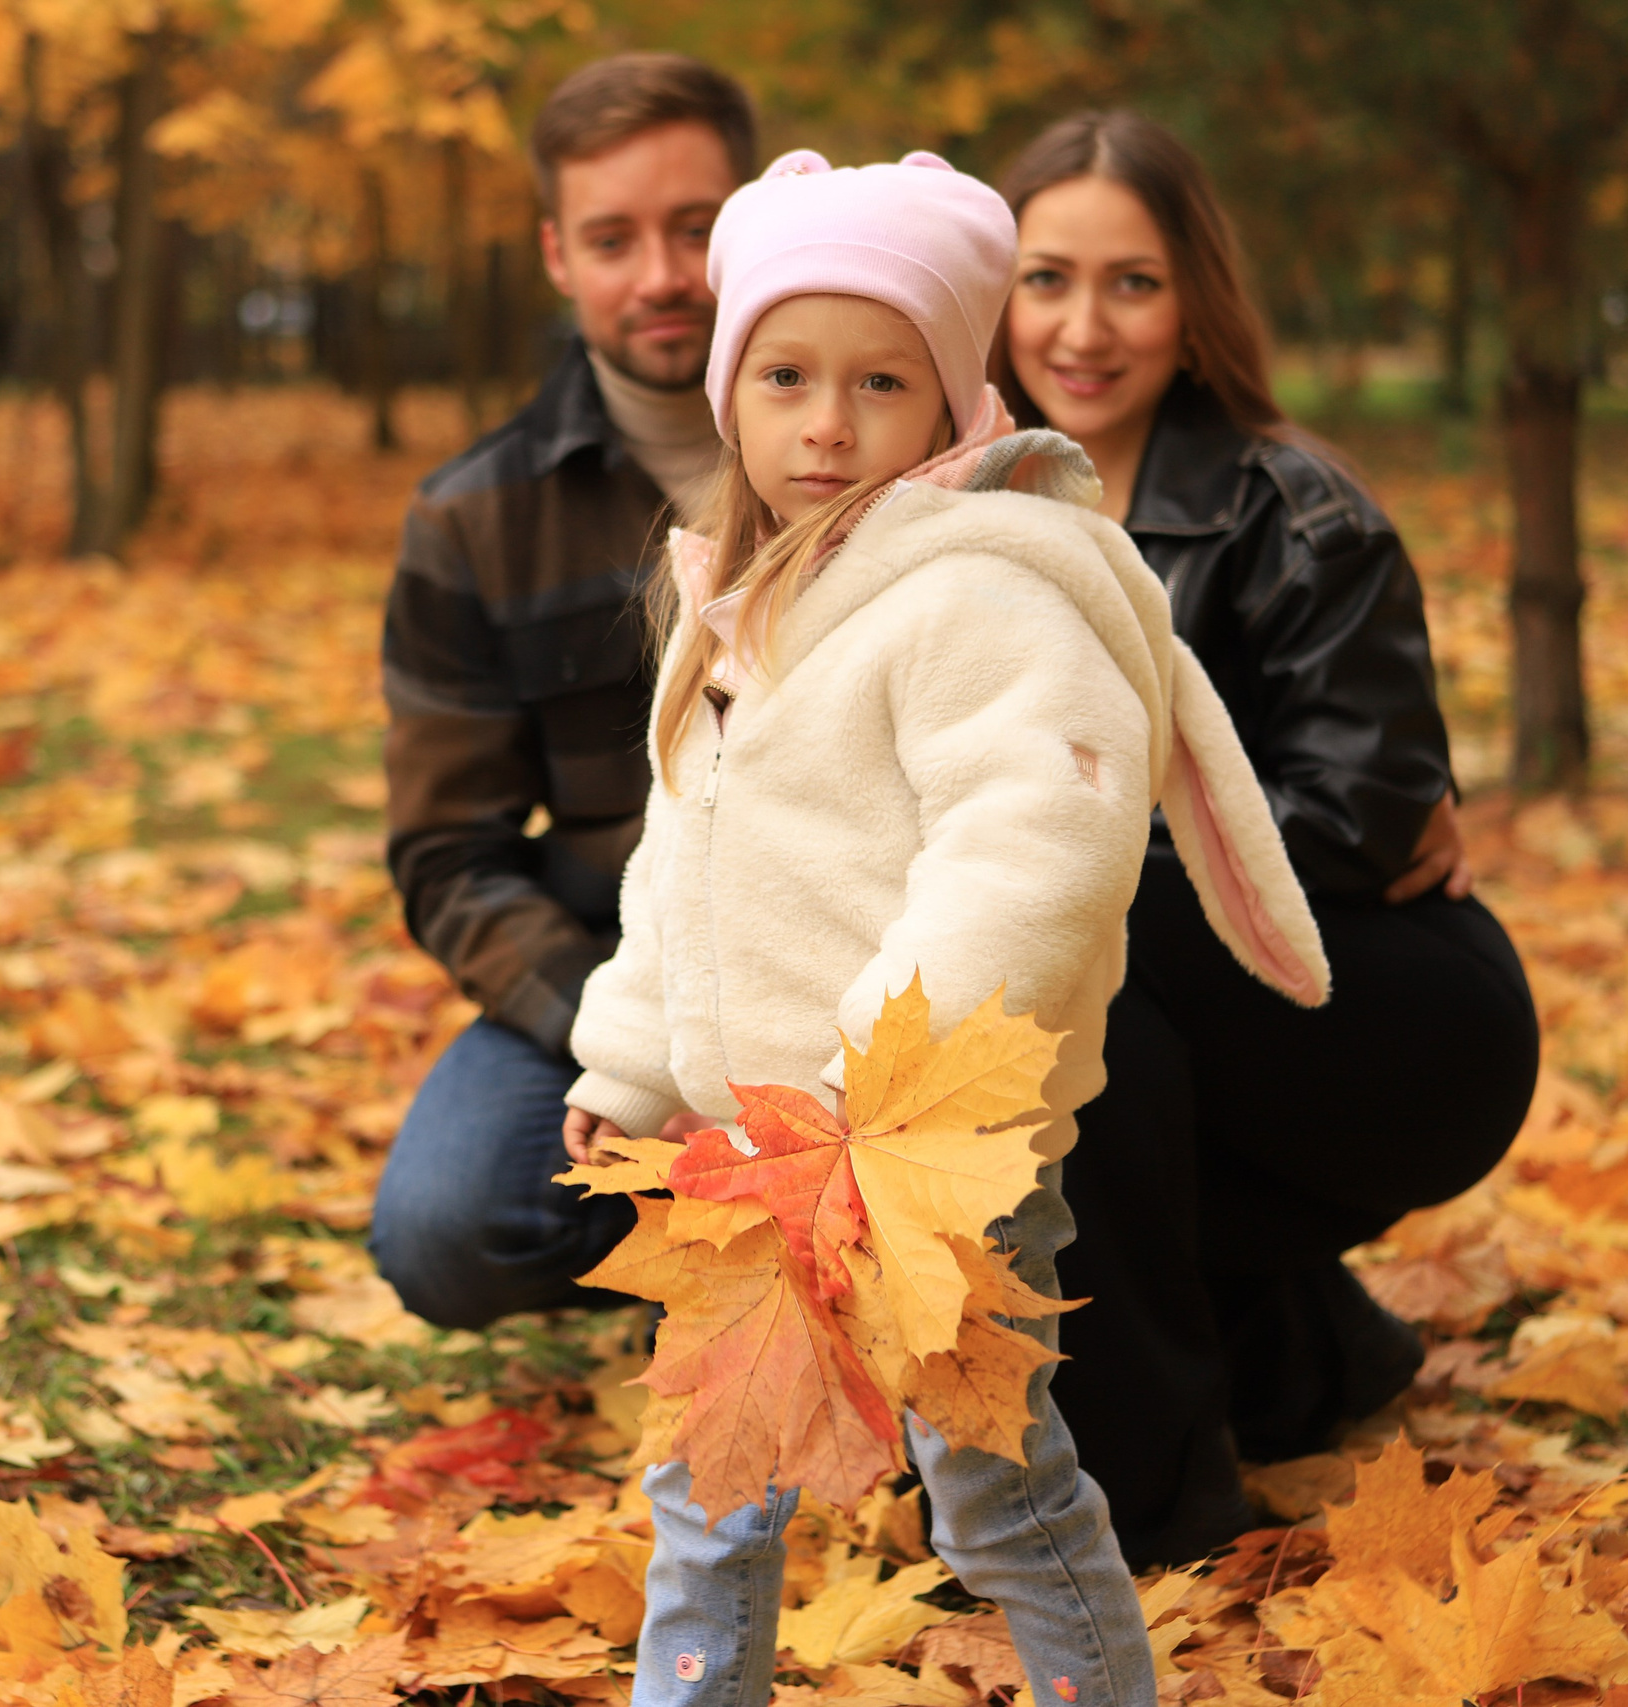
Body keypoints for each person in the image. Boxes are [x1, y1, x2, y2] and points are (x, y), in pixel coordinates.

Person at [558, 148, 1332, 1707]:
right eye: (785, 375)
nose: (827, 421)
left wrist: (881, 1084)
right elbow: (680, 863)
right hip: (750, 1146)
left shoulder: (984, 598)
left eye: (880, 381)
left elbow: (1027, 853)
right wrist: (631, 1059)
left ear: (953, 401)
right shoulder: (739, 598)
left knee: (993, 1482)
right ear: (734, 395)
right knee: (712, 1485)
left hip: (922, 1150)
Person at [992, 111, 1543, 1565]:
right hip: (1167, 1004)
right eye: (1046, 277)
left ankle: (1140, 1511)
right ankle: (1295, 1355)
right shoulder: (944, 506)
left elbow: (1361, 814)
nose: (1082, 326)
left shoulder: (1296, 512)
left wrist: (1059, 870)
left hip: (1383, 1005)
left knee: (1071, 950)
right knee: (1044, 981)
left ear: (1198, 301)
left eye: (1134, 281)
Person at [369, 56, 755, 1327]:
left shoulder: (890, 438)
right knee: (446, 1226)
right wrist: (631, 1045)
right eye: (612, 237)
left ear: (753, 215)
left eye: (695, 227)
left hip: (880, 961)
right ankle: (688, 1251)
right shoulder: (475, 517)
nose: (661, 275)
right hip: (619, 971)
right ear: (556, 255)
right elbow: (449, 857)